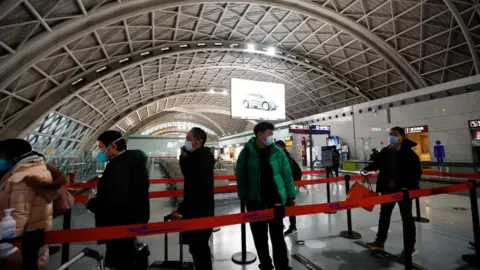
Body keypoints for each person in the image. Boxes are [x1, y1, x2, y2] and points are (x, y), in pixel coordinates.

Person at [236, 122, 296, 270]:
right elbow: (241, 175)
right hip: (255, 201)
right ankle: (266, 264)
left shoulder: (277, 152)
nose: (271, 137)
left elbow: (286, 175)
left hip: (275, 200)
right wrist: (243, 195)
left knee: (277, 236)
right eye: (269, 133)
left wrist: (290, 195)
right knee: (259, 237)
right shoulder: (246, 153)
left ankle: (282, 265)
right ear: (259, 134)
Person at [87, 131, 150, 270]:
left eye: (102, 147)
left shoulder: (119, 166)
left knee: (119, 260)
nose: (101, 152)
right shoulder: (133, 162)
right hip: (131, 219)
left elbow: (115, 201)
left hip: (119, 222)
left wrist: (92, 203)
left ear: (113, 146)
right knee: (126, 255)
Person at [0, 139, 67, 270]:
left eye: (2, 156)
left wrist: (7, 247)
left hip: (20, 244)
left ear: (14, 156)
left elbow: (17, 215)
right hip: (35, 236)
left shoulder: (21, 177)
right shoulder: (39, 169)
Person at [361, 127, 421, 257]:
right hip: (387, 190)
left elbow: (416, 173)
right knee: (384, 215)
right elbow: (377, 164)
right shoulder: (386, 151)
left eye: (395, 134)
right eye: (390, 134)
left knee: (407, 218)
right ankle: (379, 242)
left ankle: (410, 247)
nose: (392, 137)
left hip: (404, 191)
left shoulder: (410, 154)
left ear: (403, 137)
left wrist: (399, 182)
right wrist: (367, 169)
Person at [170, 127, 215, 270]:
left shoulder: (200, 159)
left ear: (198, 141)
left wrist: (180, 210)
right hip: (200, 209)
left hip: (199, 210)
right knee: (198, 248)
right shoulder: (201, 157)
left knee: (199, 248)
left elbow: (195, 188)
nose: (186, 143)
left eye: (188, 139)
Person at [275, 140, 302, 236]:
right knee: (281, 206)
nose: (277, 149)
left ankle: (293, 227)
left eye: (278, 146)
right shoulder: (279, 157)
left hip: (287, 187)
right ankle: (281, 224)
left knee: (290, 207)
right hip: (280, 187)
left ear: (283, 147)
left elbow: (288, 175)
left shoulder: (286, 158)